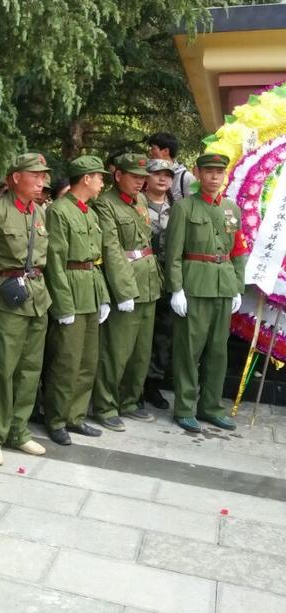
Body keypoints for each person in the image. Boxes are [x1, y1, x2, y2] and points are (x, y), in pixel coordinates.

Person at [165, 152, 247, 433]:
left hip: (223, 286)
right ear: (197, 174)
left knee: (217, 351)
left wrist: (237, 287)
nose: (214, 176)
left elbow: (237, 251)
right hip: (194, 286)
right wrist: (176, 289)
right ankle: (185, 408)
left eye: (219, 172)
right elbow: (173, 253)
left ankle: (211, 407)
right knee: (189, 350)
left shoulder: (231, 209)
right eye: (209, 171)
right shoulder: (184, 208)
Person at [0, 152, 51, 466]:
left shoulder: (39, 213)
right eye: (34, 175)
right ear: (16, 177)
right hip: (6, 300)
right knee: (1, 371)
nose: (41, 181)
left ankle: (18, 430)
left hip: (37, 298)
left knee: (29, 370)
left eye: (43, 176)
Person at [43, 156, 111, 445]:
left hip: (90, 289)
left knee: (87, 360)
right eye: (99, 177)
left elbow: (95, 260)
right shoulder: (59, 211)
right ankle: (56, 419)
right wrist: (63, 304)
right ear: (85, 178)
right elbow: (55, 261)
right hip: (70, 288)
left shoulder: (89, 213)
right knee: (65, 361)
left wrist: (104, 297)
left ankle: (76, 416)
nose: (102, 183)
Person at [92, 153, 162, 431]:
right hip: (127, 282)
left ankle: (130, 400)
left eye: (143, 178)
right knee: (116, 350)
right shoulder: (105, 205)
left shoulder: (141, 201)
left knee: (141, 350)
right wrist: (123, 291)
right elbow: (110, 249)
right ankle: (105, 405)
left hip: (149, 281)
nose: (140, 183)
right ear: (118, 175)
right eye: (134, 176)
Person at [142, 158, 176, 410]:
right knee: (139, 334)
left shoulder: (176, 207)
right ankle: (133, 385)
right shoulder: (136, 205)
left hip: (166, 278)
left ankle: (152, 385)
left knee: (163, 336)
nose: (163, 179)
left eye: (168, 175)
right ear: (147, 177)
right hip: (142, 277)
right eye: (157, 174)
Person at [146, 131, 196, 201]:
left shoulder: (186, 178)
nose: (150, 153)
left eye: (153, 149)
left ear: (166, 151)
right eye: (157, 174)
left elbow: (194, 207)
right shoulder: (147, 173)